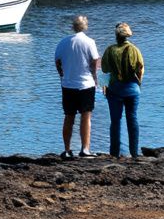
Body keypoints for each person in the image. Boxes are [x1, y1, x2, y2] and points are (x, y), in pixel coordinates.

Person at [53, 15, 101, 157]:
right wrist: (96, 79)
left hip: (68, 84)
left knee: (69, 116)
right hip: (86, 84)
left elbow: (57, 61)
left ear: (73, 26)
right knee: (86, 117)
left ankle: (67, 150)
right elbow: (94, 63)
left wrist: (62, 75)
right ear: (85, 26)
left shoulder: (63, 42)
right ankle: (85, 149)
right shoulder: (89, 42)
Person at [101, 22, 145, 158]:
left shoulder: (109, 50)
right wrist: (138, 84)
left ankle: (114, 153)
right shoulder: (134, 50)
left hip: (114, 90)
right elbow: (140, 68)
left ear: (116, 36)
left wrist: (106, 86)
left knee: (115, 121)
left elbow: (104, 70)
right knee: (132, 118)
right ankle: (134, 153)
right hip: (132, 89)